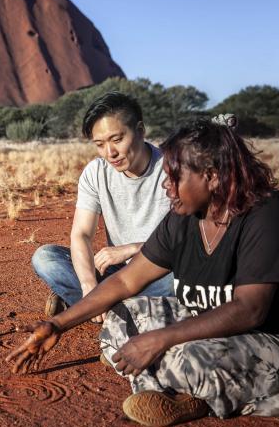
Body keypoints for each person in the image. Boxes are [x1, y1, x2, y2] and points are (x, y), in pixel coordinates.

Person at [7, 119, 279, 426]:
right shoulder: (184, 218)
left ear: (212, 176)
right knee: (120, 319)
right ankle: (184, 389)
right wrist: (57, 325)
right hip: (232, 334)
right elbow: (125, 280)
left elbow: (250, 309)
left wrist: (158, 340)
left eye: (175, 176)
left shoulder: (267, 213)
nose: (167, 186)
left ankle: (193, 395)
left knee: (181, 356)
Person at [31, 92, 174, 322]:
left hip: (159, 271)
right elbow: (82, 234)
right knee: (46, 258)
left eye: (117, 140)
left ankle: (90, 307)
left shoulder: (172, 168)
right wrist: (88, 285)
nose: (110, 153)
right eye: (100, 144)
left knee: (179, 281)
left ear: (140, 130)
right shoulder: (96, 172)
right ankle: (115, 307)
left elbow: (189, 242)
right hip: (116, 274)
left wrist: (133, 248)